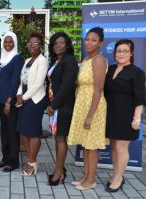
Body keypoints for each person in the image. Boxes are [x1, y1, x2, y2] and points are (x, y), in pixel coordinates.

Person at [67, 27, 108, 190]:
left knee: (91, 145)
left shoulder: (99, 60)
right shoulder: (85, 60)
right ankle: (86, 177)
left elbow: (98, 89)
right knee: (85, 144)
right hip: (82, 104)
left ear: (100, 43)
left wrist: (90, 115)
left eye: (94, 40)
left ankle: (91, 180)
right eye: (87, 39)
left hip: (94, 106)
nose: (89, 42)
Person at [104, 39, 145, 192]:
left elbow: (140, 97)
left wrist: (137, 118)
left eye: (125, 51)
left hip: (127, 114)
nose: (121, 53)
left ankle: (119, 178)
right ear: (114, 53)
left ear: (131, 53)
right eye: (119, 51)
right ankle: (116, 174)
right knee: (114, 146)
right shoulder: (110, 68)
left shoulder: (137, 72)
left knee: (121, 147)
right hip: (111, 113)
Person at [46, 32, 78, 185]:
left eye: (61, 43)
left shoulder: (70, 61)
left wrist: (53, 105)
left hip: (63, 106)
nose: (58, 46)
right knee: (57, 138)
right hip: (56, 106)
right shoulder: (57, 60)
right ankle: (60, 168)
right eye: (55, 43)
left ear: (67, 45)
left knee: (60, 138)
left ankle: (59, 172)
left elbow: (66, 87)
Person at [16, 31, 48, 176]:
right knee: (24, 132)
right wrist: (18, 94)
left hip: (35, 100)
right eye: (30, 43)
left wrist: (23, 97)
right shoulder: (27, 60)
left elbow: (38, 84)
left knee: (33, 132)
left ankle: (31, 162)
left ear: (41, 46)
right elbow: (22, 80)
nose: (32, 45)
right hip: (24, 97)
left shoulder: (43, 61)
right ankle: (31, 161)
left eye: (36, 43)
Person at [0, 32, 23, 172]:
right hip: (0, 101)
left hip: (9, 101)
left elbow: (15, 81)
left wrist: (8, 100)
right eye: (5, 42)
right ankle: (5, 158)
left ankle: (14, 161)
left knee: (12, 132)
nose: (8, 44)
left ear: (15, 43)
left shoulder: (17, 58)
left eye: (10, 42)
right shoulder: (2, 58)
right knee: (3, 132)